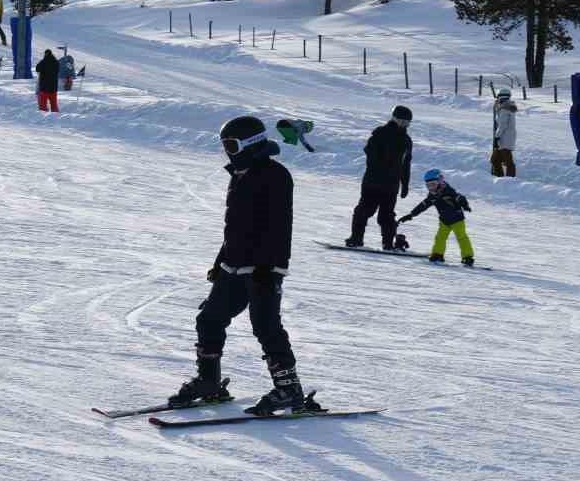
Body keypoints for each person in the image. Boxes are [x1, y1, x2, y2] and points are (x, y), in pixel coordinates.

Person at [168, 116, 315, 417]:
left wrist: (267, 268)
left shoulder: (275, 175)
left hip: (264, 266)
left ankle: (289, 389)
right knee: (209, 319)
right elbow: (235, 227)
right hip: (233, 265)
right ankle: (209, 382)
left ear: (249, 144)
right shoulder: (240, 174)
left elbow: (277, 226)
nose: (227, 151)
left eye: (231, 145)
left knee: (266, 326)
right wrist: (219, 262)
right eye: (224, 145)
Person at [348, 105, 413, 250]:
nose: (404, 124)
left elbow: (406, 164)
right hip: (373, 181)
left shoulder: (406, 140)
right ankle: (356, 239)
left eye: (407, 122)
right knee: (364, 210)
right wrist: (381, 166)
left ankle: (388, 244)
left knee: (387, 215)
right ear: (394, 118)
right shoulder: (380, 133)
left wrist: (405, 184)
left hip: (391, 184)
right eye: (401, 121)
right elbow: (369, 153)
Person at [397, 169, 476, 266]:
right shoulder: (432, 196)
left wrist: (465, 205)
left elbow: (460, 198)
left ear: (440, 182)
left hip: (457, 220)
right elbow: (423, 205)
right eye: (428, 186)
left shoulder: (449, 192)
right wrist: (411, 215)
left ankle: (467, 257)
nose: (431, 188)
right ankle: (438, 254)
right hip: (444, 221)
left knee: (462, 237)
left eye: (433, 184)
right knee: (440, 238)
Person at [490, 87, 518, 177]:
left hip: (504, 138)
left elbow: (502, 125)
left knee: (507, 160)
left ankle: (510, 180)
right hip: (506, 137)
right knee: (495, 160)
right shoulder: (507, 107)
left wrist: (497, 137)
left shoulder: (504, 109)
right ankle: (500, 178)